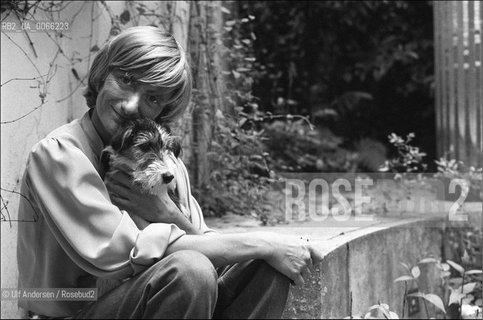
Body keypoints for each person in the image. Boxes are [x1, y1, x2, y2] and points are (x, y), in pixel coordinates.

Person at [17, 26, 323, 319]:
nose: (131, 104)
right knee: (191, 270)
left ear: (160, 112)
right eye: (126, 80)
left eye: (152, 98)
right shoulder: (59, 155)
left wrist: (167, 213)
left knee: (266, 266)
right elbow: (126, 258)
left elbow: (203, 244)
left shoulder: (167, 165)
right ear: (102, 75)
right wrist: (267, 242)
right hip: (80, 312)